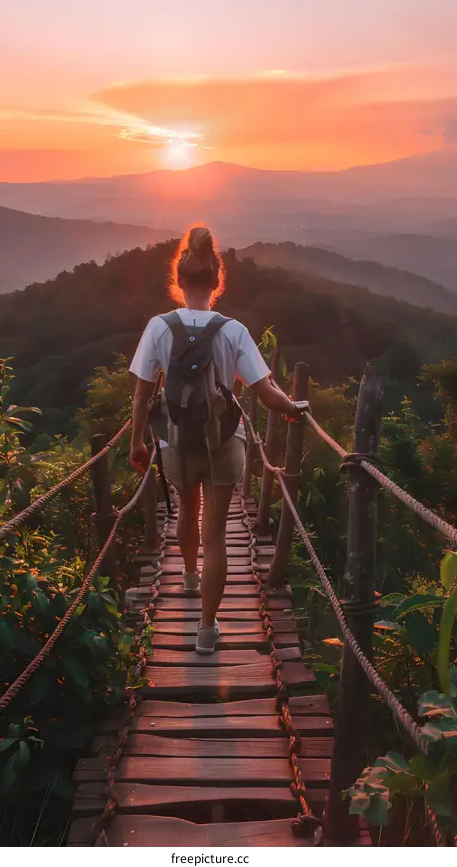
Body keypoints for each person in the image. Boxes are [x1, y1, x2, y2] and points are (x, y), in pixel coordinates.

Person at [129, 226, 308, 653]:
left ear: (179, 279)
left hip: (176, 442)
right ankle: (207, 629)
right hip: (224, 443)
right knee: (216, 536)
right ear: (217, 279)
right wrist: (293, 408)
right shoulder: (234, 331)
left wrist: (137, 442)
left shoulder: (158, 327)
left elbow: (141, 393)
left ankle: (190, 576)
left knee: (186, 509)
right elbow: (266, 392)